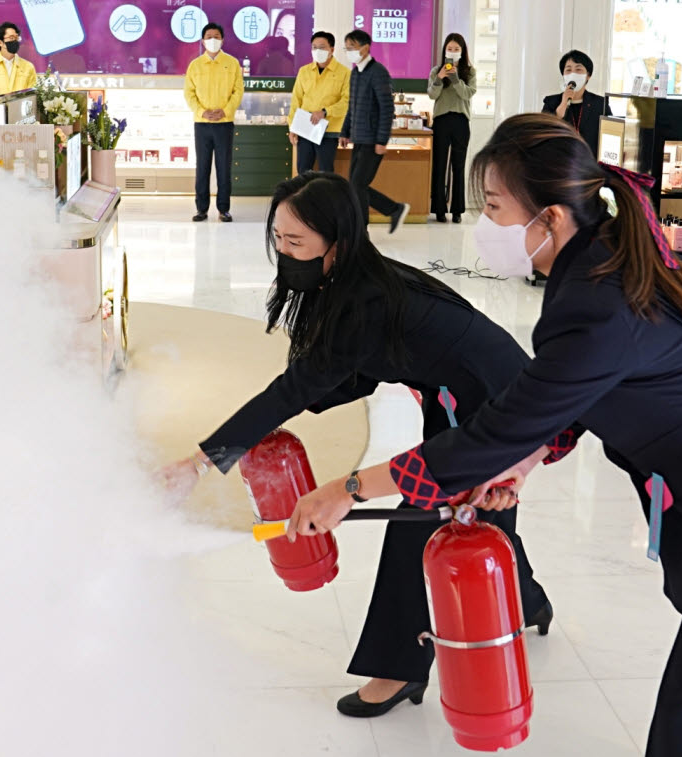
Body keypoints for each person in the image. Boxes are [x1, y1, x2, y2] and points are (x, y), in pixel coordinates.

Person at [289, 115, 682, 756]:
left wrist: (351, 487)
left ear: (549, 218)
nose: (484, 225)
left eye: (493, 206)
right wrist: (522, 464)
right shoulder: (613, 263)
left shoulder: (597, 303)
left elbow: (486, 435)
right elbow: (575, 397)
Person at [159, 171, 553, 719]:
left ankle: (397, 669)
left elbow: (293, 390)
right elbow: (355, 371)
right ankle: (529, 600)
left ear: (337, 242)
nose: (284, 252)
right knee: (475, 516)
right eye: (278, 238)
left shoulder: (364, 300)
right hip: (455, 394)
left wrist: (200, 462)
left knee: (421, 529)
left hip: (495, 405)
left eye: (296, 242)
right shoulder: (352, 281)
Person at [340, 30, 409, 235]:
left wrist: (382, 140)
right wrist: (345, 131)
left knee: (358, 185)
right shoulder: (355, 73)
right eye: (347, 48)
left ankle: (362, 231)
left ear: (365, 48)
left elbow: (387, 108)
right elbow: (352, 106)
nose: (349, 52)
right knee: (355, 186)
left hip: (372, 140)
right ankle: (394, 209)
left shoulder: (378, 72)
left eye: (351, 48)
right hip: (358, 138)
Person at [183, 22, 244, 223]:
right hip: (202, 123)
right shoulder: (195, 65)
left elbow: (238, 91)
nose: (213, 40)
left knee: (224, 167)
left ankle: (224, 209)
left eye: (216, 36)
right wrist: (202, 111)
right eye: (209, 36)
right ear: (202, 40)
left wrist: (225, 111)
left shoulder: (232, 63)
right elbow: (189, 93)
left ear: (223, 39)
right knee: (202, 167)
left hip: (224, 123)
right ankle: (201, 209)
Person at [427, 33, 476, 224]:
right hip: (441, 121)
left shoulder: (470, 72)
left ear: (462, 52)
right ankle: (439, 209)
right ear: (444, 51)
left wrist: (455, 79)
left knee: (458, 165)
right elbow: (432, 94)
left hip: (461, 121)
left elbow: (468, 94)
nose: (453, 52)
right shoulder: (435, 70)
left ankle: (457, 210)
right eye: (450, 49)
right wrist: (440, 78)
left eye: (457, 49)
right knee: (439, 165)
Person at [288, 31, 349, 175]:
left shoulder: (344, 73)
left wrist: (325, 112)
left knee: (325, 172)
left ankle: (325, 198)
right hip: (305, 127)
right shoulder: (304, 71)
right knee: (303, 171)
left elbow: (347, 102)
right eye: (314, 47)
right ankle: (304, 198)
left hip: (329, 129)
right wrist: (292, 126)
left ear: (332, 49)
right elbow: (296, 100)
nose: (317, 51)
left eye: (322, 47)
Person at [542, 50, 611, 155]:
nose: (573, 74)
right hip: (559, 162)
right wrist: (562, 105)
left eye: (578, 69)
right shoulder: (551, 102)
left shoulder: (600, 103)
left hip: (590, 164)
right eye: (568, 70)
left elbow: (610, 135)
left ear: (588, 75)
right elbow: (543, 132)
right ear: (563, 75)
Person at [0, 22, 37, 96]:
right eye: (11, 38)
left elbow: (32, 96)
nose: (15, 41)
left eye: (17, 38)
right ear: (0, 43)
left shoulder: (28, 67)